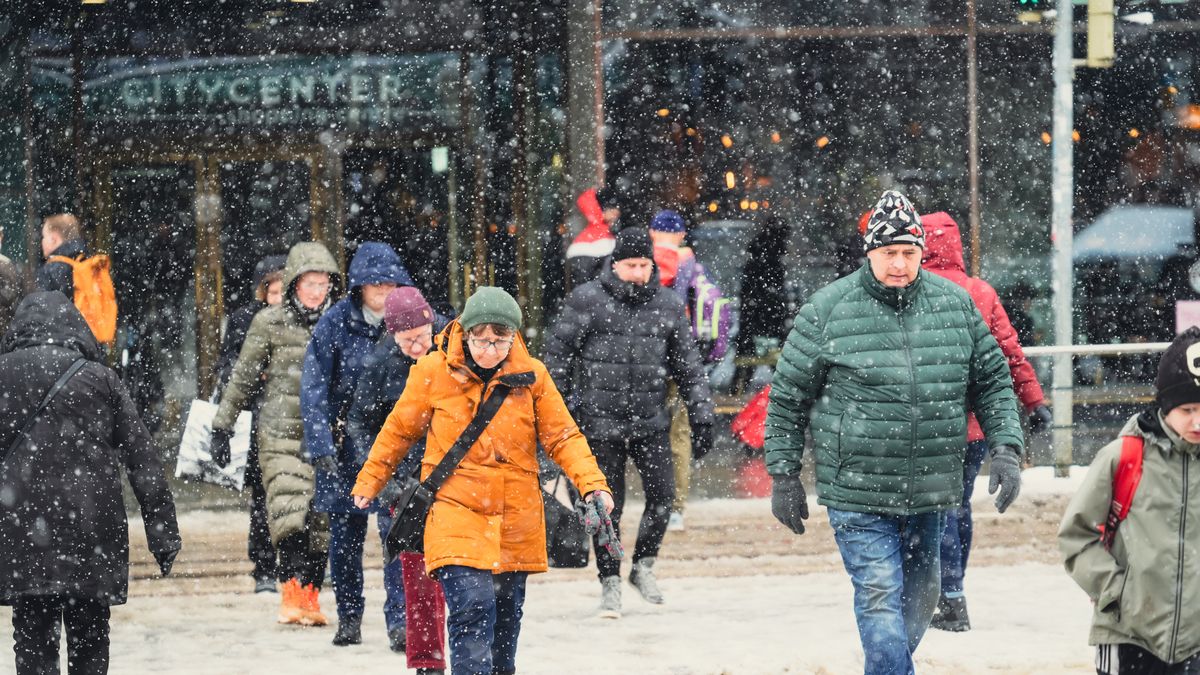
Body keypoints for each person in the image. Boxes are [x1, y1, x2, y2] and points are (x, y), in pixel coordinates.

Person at [764, 190, 1024, 675]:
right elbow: (788, 398)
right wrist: (783, 474)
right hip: (857, 488)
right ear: (870, 252)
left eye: (909, 253)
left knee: (922, 600)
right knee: (880, 593)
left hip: (931, 486)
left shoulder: (955, 306)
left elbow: (992, 379)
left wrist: (1006, 448)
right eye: (889, 253)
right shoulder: (826, 310)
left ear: (923, 252)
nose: (900, 264)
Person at [351, 286, 614, 675]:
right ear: (464, 332)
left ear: (514, 337)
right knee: (472, 607)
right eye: (481, 339)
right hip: (455, 507)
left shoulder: (533, 377)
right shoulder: (433, 371)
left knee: (505, 624)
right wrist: (370, 480)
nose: (490, 349)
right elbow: (398, 431)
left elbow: (564, 437)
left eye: (500, 340)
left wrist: (593, 484)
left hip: (515, 514)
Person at [0, 291, 181, 675]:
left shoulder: (4, 375)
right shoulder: (102, 379)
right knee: (90, 637)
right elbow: (142, 459)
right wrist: (163, 534)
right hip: (91, 531)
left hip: (23, 533)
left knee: (32, 637)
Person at [543, 227, 715, 618]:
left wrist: (703, 415)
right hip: (599, 423)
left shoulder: (668, 305)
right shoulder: (586, 300)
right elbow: (556, 360)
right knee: (608, 507)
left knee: (662, 498)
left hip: (651, 420)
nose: (638, 272)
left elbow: (688, 366)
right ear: (615, 264)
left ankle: (643, 566)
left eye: (644, 265)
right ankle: (609, 581)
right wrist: (562, 414)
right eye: (630, 265)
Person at [919, 211, 1053, 632]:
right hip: (977, 425)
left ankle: (948, 596)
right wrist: (1033, 399)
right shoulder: (980, 291)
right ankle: (953, 591)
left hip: (931, 421)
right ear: (957, 245)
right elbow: (1010, 352)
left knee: (935, 509)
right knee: (958, 506)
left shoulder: (915, 291)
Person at [211, 241, 342, 627]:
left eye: (323, 285)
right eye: (310, 284)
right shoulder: (268, 323)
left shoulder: (337, 322)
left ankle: (312, 598)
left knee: (322, 520)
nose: (317, 292)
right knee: (288, 514)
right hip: (279, 432)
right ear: (294, 284)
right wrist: (223, 425)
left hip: (323, 436)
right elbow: (242, 377)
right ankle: (291, 593)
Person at [1059, 327, 1200, 675]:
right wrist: (1117, 592)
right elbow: (1077, 536)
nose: (1198, 421)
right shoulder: (1124, 456)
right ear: (1165, 406)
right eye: (1187, 409)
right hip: (1128, 636)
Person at [299, 241, 414, 649]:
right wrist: (320, 443)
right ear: (359, 288)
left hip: (394, 448)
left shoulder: (410, 322)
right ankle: (349, 616)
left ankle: (400, 621)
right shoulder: (334, 324)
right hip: (345, 445)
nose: (382, 291)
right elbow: (313, 385)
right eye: (373, 284)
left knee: (396, 536)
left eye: (389, 283)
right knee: (344, 539)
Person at [346, 286, 451, 673]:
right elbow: (359, 424)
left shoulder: (454, 345)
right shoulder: (380, 363)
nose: (416, 347)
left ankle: (455, 630)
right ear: (392, 335)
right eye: (406, 341)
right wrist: (386, 482)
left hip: (454, 474)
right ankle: (403, 626)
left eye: (421, 338)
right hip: (404, 480)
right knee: (403, 558)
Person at [647, 210, 731, 532]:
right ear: (682, 235)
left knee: (637, 433)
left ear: (651, 232)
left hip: (646, 362)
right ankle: (675, 507)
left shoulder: (640, 265)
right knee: (679, 435)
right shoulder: (695, 269)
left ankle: (633, 503)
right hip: (683, 361)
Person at [215, 254, 287, 594]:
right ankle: (264, 567)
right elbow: (231, 367)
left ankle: (298, 564)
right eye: (274, 292)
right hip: (261, 420)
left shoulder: (300, 319)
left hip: (292, 418)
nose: (280, 299)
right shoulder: (246, 320)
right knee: (263, 499)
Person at [734, 215, 790, 394]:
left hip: (756, 311)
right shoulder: (772, 258)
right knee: (774, 357)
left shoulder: (758, 255)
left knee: (749, 354)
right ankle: (784, 389)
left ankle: (738, 387)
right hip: (766, 310)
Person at [565, 186, 623, 288]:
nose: (617, 213)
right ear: (602, 210)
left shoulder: (584, 239)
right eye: (613, 209)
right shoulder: (606, 237)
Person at [36, 213, 86, 296]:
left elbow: (44, 306)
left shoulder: (51, 269)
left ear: (53, 239)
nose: (42, 241)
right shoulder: (87, 261)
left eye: (44, 236)